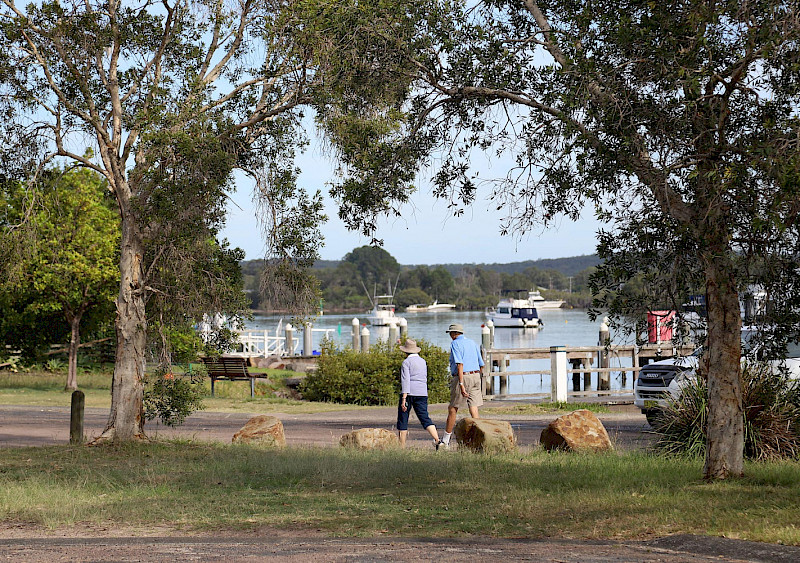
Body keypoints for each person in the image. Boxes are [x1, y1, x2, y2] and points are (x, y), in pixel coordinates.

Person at [440, 323, 484, 449]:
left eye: (450, 333)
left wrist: (461, 383)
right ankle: (480, 438)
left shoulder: (455, 344)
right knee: (473, 408)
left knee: (453, 408)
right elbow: (481, 363)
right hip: (476, 375)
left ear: (454, 334)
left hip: (463, 377)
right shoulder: (472, 342)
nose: (450, 336)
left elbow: (460, 364)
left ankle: (445, 441)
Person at [396, 338, 442, 449]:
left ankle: (401, 447)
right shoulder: (423, 361)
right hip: (422, 392)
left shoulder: (406, 362)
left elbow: (405, 380)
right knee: (424, 417)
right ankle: (437, 440)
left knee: (403, 419)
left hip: (409, 392)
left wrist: (404, 398)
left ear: (405, 351)